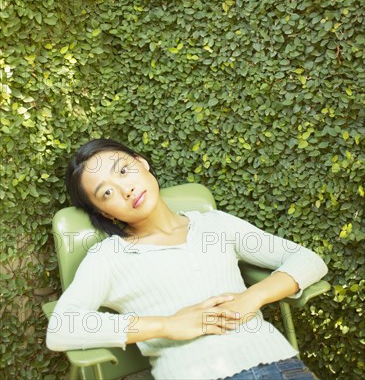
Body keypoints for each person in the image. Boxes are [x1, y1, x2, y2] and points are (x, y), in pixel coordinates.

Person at [46, 138, 328, 380]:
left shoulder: (215, 225)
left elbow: (307, 259)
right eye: (106, 193)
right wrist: (167, 324)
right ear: (105, 213)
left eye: (123, 170)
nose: (125, 189)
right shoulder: (109, 257)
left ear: (141, 163)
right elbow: (62, 327)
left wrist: (252, 298)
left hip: (279, 366)